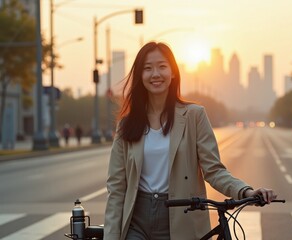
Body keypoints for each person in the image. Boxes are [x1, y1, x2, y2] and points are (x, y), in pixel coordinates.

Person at [104, 42, 277, 240]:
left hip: (181, 214)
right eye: (147, 68)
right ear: (140, 76)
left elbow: (214, 171)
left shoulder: (194, 116)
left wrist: (246, 191)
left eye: (162, 66)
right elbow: (117, 187)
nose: (155, 74)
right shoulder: (127, 124)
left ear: (173, 73)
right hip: (137, 219)